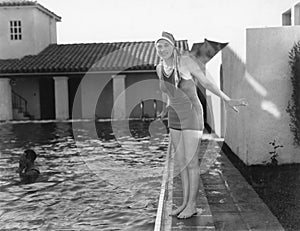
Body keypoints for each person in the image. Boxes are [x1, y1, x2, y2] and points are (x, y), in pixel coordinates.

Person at [155, 31, 247, 219]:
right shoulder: (159, 68)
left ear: (173, 46)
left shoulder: (186, 63)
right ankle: (184, 203)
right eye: (158, 46)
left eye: (165, 45)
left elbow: (205, 82)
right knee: (181, 163)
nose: (161, 49)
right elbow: (169, 93)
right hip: (174, 116)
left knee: (191, 162)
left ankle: (193, 205)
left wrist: (226, 99)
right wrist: (165, 109)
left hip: (191, 114)